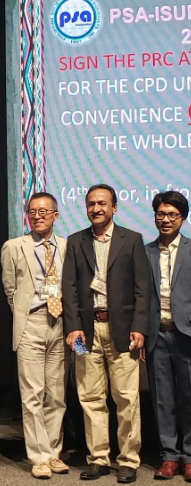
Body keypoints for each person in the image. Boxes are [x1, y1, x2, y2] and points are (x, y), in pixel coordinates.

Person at [62, 184, 150, 484]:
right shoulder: (76, 241)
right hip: (86, 333)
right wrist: (73, 325)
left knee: (126, 398)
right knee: (90, 396)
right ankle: (98, 458)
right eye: (91, 203)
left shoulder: (132, 239)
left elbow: (142, 289)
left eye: (102, 203)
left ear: (114, 207)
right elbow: (69, 289)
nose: (96, 208)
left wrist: (139, 327)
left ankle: (128, 460)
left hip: (123, 331)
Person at [1, 193, 68, 479]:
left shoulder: (68, 246)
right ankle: (38, 456)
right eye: (32, 211)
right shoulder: (14, 246)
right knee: (32, 394)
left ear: (56, 215)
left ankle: (53, 452)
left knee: (57, 395)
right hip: (31, 322)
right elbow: (9, 289)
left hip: (60, 323)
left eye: (44, 211)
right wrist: (26, 314)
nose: (37, 216)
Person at [144, 191, 191, 481]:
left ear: (182, 218)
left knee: (189, 396)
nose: (166, 220)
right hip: (156, 335)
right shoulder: (145, 251)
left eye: (172, 215)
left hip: (186, 334)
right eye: (161, 214)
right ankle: (169, 456)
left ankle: (190, 456)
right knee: (162, 399)